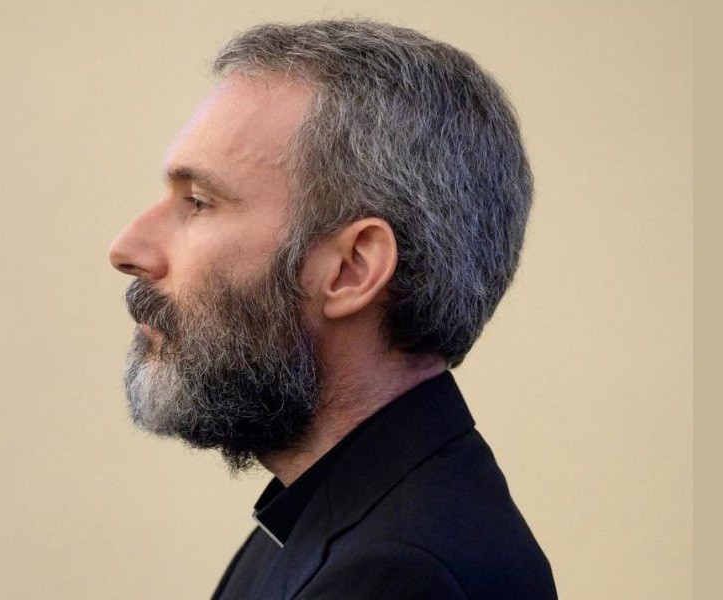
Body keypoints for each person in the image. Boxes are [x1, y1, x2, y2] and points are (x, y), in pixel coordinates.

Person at [108, 19, 557, 599]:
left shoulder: (396, 576)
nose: (128, 249)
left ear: (352, 269)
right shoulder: (317, 523)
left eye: (198, 202)